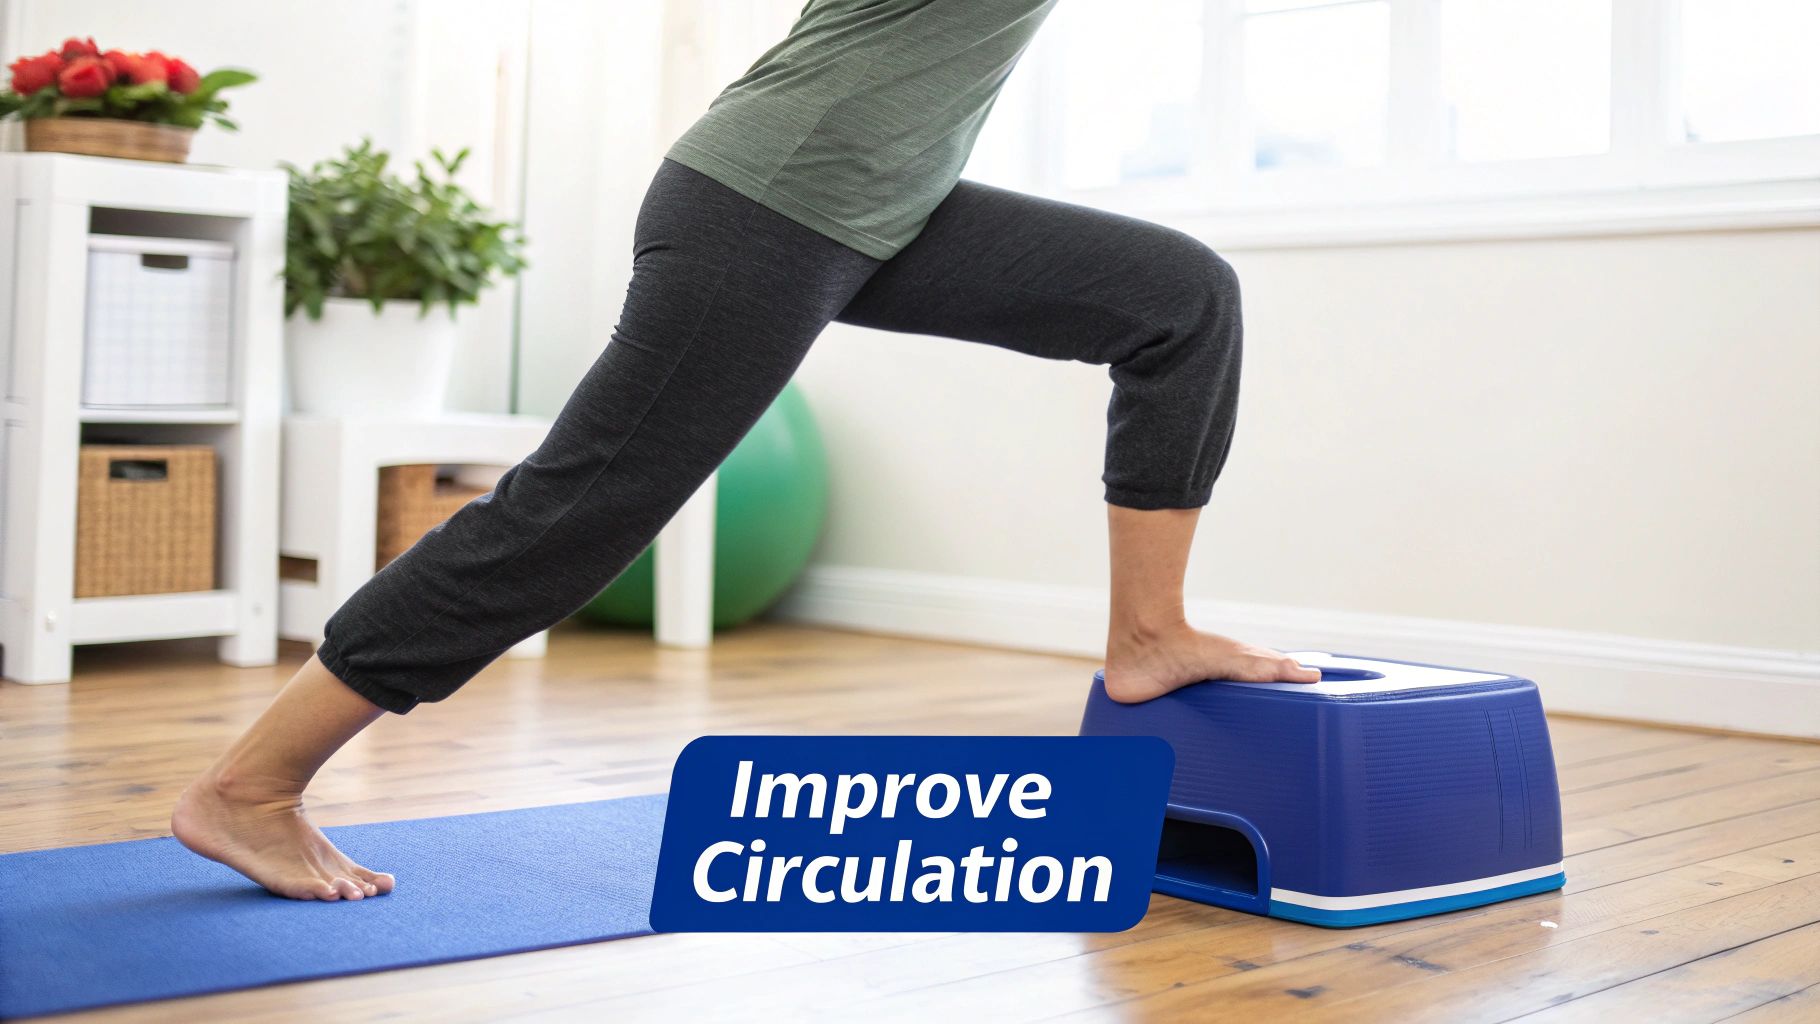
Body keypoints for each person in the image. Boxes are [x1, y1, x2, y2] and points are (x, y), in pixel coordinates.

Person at [172, 0, 1320, 902]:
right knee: (572, 517)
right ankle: (248, 787)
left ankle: (1147, 632)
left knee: (1177, 298)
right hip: (767, 200)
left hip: (890, 205)